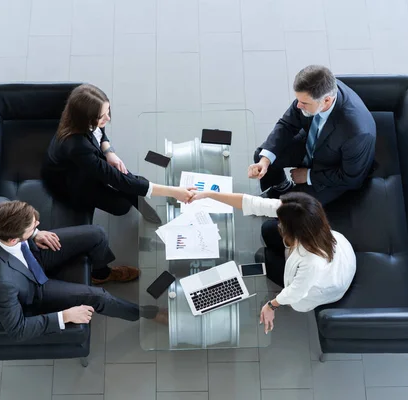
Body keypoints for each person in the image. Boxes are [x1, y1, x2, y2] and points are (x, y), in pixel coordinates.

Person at [0, 197, 161, 341]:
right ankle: (147, 313)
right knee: (99, 297)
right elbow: (17, 330)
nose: (38, 224)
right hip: (31, 288)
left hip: (31, 253)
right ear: (14, 239)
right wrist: (65, 316)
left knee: (97, 234)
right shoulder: (0, 283)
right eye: (33, 226)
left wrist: (36, 234)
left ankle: (102, 274)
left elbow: (0, 202)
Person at [188, 190, 356, 334]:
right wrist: (209, 195)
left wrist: (271, 305)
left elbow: (296, 292)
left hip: (324, 283)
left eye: (282, 222)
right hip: (323, 253)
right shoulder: (302, 214)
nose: (279, 222)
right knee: (268, 229)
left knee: (264, 257)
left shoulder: (312, 262)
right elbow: (252, 203)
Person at [42, 84, 194, 224]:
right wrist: (174, 192)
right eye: (102, 116)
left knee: (133, 182)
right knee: (121, 206)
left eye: (108, 111)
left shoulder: (79, 118)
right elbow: (113, 177)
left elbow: (98, 131)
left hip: (84, 162)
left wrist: (108, 151)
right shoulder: (77, 146)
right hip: (71, 183)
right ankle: (146, 201)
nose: (108, 118)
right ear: (87, 118)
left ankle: (143, 202)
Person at [248, 65, 376, 205]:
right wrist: (265, 161)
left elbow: (351, 178)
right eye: (298, 100)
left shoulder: (357, 133)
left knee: (291, 207)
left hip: (332, 169)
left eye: (304, 103)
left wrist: (308, 176)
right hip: (312, 142)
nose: (298, 106)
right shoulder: (314, 93)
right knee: (262, 155)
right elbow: (286, 124)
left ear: (327, 100)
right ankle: (282, 187)